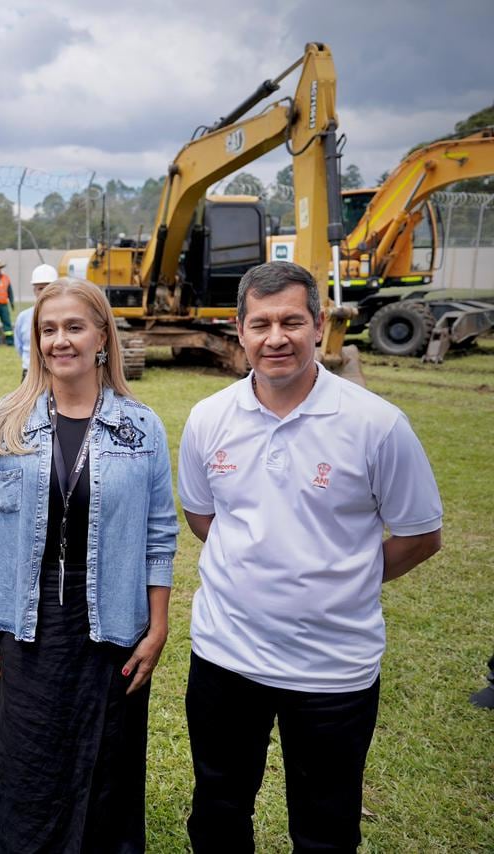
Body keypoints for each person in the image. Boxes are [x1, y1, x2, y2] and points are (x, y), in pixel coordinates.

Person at [177, 260, 444, 853]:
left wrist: (341, 579)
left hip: (333, 667)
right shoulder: (208, 419)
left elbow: (421, 535)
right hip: (226, 657)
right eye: (261, 323)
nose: (277, 338)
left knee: (325, 824)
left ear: (319, 325)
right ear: (239, 330)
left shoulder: (376, 424)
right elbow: (203, 517)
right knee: (218, 811)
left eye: (293, 321)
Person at [0, 278, 177, 852]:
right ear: (36, 340)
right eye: (49, 329)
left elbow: (160, 532)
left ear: (102, 336)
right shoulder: (6, 422)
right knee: (26, 762)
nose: (61, 341)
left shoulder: (141, 428)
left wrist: (157, 625)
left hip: (111, 618)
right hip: (25, 618)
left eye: (74, 327)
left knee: (106, 763)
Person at [13, 263, 60, 379]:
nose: (45, 292)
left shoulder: (67, 316)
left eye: (49, 287)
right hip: (29, 374)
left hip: (56, 374)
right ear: (34, 290)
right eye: (40, 288)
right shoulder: (23, 317)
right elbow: (19, 346)